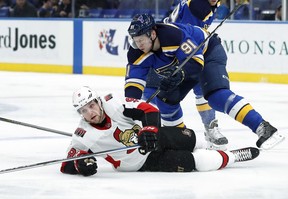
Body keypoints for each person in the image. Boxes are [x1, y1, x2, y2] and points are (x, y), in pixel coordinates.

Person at [125, 14, 284, 151]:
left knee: (216, 96)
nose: (138, 45)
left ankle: (263, 127)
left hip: (207, 55)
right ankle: (182, 142)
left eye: (141, 40)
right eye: (135, 40)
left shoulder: (172, 35)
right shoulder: (136, 52)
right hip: (183, 66)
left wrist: (179, 75)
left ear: (152, 34)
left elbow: (195, 62)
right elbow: (133, 84)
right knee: (165, 99)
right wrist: (131, 111)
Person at [60, 86, 259, 176]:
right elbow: (68, 162)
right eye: (83, 111)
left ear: (98, 101)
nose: (90, 113)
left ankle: (208, 146)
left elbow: (149, 109)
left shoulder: (114, 103)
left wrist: (149, 129)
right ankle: (231, 157)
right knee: (190, 162)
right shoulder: (83, 135)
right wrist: (80, 165)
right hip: (141, 163)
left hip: (154, 137)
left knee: (189, 138)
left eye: (91, 105)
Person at [131, 0, 229, 150]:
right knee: (154, 94)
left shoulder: (208, 5)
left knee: (201, 88)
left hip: (174, 50)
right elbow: (187, 34)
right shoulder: (198, 5)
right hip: (164, 52)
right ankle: (157, 130)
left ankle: (205, 128)